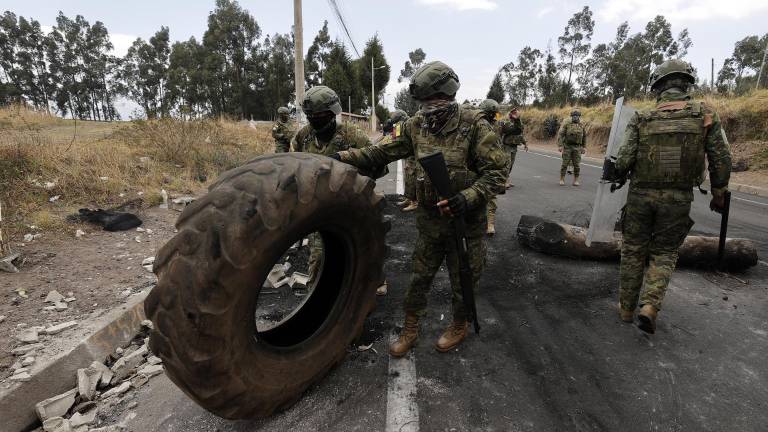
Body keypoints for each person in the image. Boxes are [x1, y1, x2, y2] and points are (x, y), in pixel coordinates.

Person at [332, 61, 507, 356]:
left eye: (432, 101)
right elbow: (380, 152)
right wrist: (341, 156)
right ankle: (410, 328)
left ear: (447, 95)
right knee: (419, 279)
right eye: (423, 102)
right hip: (431, 224)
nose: (428, 108)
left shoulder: (475, 125)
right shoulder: (415, 126)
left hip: (465, 225)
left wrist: (467, 197)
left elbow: (498, 174)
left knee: (462, 280)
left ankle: (459, 325)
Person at [608, 59, 731, 334]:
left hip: (640, 196)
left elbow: (624, 159)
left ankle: (627, 309)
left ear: (658, 86)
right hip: (677, 199)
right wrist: (719, 192)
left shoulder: (642, 117)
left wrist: (619, 172)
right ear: (687, 84)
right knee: (664, 253)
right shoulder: (705, 115)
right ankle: (650, 306)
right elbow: (721, 158)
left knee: (633, 250)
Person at [290, 86, 388, 295]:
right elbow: (292, 166)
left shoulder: (352, 135)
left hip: (351, 204)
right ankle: (316, 297)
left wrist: (349, 165)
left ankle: (376, 280)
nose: (317, 121)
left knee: (365, 246)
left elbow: (377, 164)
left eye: (322, 116)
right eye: (312, 117)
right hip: (319, 207)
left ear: (332, 113)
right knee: (318, 256)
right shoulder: (303, 137)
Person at [477, 99, 505, 236]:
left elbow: (514, 130)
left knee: (491, 194)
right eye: (492, 114)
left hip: (491, 163)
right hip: (477, 164)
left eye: (494, 114)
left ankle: (490, 223)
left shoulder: (497, 125)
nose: (494, 116)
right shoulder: (476, 125)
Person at [387, 110, 419, 212]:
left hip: (414, 155)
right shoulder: (401, 125)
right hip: (409, 155)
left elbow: (397, 139)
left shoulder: (408, 125)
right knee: (408, 176)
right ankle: (409, 198)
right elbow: (395, 138)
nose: (396, 125)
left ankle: (415, 202)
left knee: (413, 177)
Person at [498, 107, 528, 188]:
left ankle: (506, 178)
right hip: (506, 146)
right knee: (507, 164)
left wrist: (525, 143)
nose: (517, 114)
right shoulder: (507, 123)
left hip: (514, 147)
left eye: (517, 113)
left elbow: (520, 133)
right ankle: (505, 180)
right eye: (515, 113)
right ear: (511, 115)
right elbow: (511, 129)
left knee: (511, 164)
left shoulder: (519, 124)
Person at [558, 110, 586, 186]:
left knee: (577, 165)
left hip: (577, 147)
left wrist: (584, 147)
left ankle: (576, 180)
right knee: (565, 164)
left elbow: (584, 137)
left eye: (577, 116)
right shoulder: (567, 125)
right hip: (567, 147)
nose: (575, 117)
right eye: (574, 116)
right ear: (571, 117)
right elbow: (561, 135)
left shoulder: (581, 125)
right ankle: (562, 179)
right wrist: (560, 145)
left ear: (579, 117)